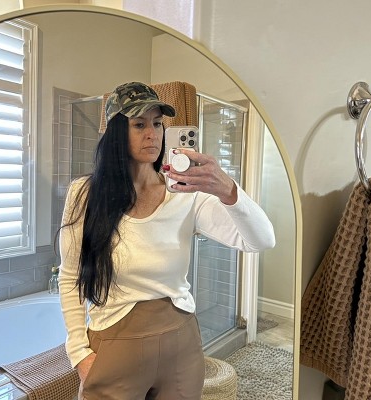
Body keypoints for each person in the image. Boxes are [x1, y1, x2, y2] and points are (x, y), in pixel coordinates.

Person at [58, 81, 275, 400]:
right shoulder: (85, 194)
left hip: (181, 347)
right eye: (139, 124)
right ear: (116, 132)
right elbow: (70, 277)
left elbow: (261, 240)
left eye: (158, 123)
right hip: (115, 345)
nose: (153, 134)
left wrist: (227, 189)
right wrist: (79, 354)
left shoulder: (186, 195)